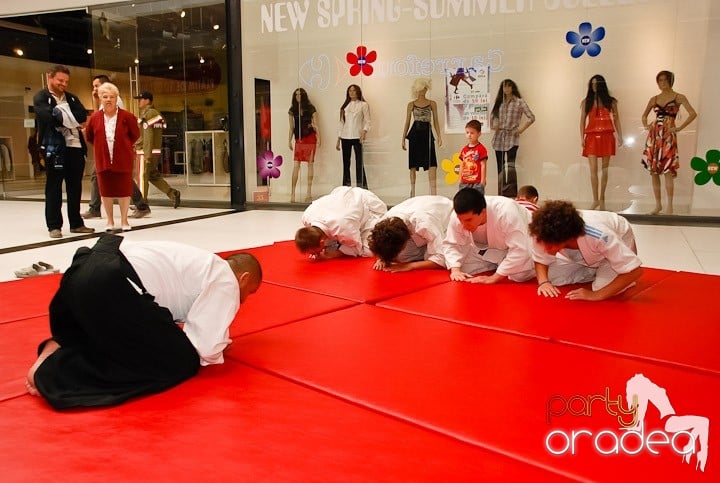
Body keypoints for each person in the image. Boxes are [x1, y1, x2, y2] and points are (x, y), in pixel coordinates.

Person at [25, 234, 262, 409]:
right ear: (243, 278)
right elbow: (205, 348)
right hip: (108, 285)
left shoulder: (201, 263)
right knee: (182, 360)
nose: (244, 300)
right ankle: (55, 372)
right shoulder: (225, 279)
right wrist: (217, 344)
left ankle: (66, 343)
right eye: (250, 292)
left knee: (143, 334)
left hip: (82, 272)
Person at [529, 200, 642, 301]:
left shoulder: (600, 235)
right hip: (588, 248)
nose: (546, 248)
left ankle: (609, 272)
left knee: (601, 287)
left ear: (567, 238)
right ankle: (593, 271)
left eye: (550, 245)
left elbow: (634, 271)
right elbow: (540, 258)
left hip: (618, 237)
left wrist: (596, 295)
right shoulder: (543, 229)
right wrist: (544, 282)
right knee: (553, 278)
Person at [33, 64, 95, 239]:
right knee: (54, 187)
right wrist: (67, 119)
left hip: (75, 147)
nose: (63, 84)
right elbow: (49, 117)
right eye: (60, 80)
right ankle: (54, 225)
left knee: (75, 187)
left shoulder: (72, 98)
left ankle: (76, 223)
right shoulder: (41, 97)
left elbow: (82, 116)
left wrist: (64, 117)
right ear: (50, 77)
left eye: (66, 81)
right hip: (55, 148)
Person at [82, 75, 152, 220]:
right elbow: (97, 119)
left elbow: (121, 126)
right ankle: (96, 207)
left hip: (115, 148)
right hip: (105, 148)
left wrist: (122, 144)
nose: (94, 89)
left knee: (121, 177)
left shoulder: (113, 99)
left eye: (96, 86)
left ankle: (140, 205)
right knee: (100, 176)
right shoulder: (103, 100)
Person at [443, 187, 535, 284]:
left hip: (529, 240)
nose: (464, 225)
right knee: (462, 267)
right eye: (460, 219)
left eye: (468, 220)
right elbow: (452, 243)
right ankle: (499, 263)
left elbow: (521, 250)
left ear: (483, 212)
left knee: (519, 275)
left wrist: (494, 278)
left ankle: (503, 264)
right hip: (489, 249)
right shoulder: (459, 216)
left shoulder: (506, 212)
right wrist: (455, 270)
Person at [641, 70, 697, 215]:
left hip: (667, 135)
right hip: (654, 135)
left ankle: (669, 206)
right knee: (654, 172)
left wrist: (678, 128)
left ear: (670, 81)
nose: (662, 83)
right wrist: (647, 125)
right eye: (659, 80)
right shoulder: (654, 98)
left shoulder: (679, 97)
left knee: (667, 171)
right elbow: (644, 115)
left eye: (665, 80)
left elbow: (693, 113)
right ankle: (658, 204)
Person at [295, 186, 386, 260]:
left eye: (315, 252)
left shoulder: (343, 227)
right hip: (342, 197)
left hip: (368, 206)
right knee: (334, 240)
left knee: (368, 251)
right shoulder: (307, 216)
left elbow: (358, 248)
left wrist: (337, 253)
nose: (315, 254)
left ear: (322, 241)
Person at [369, 195, 453, 272]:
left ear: (404, 243)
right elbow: (380, 243)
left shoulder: (425, 224)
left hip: (445, 215)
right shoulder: (384, 222)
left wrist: (410, 266)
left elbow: (441, 258)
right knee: (402, 256)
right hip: (419, 207)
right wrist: (382, 258)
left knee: (414, 257)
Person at [580, 75, 623, 211]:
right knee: (593, 169)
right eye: (592, 84)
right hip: (591, 137)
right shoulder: (586, 102)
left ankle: (602, 198)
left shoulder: (611, 102)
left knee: (605, 169)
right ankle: (595, 199)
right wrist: (581, 137)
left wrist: (620, 135)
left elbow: (617, 120)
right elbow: (582, 121)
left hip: (607, 136)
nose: (594, 87)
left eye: (596, 84)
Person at [134, 91, 181, 210]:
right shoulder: (156, 114)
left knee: (142, 176)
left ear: (147, 100)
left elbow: (148, 134)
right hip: (155, 150)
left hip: (145, 151)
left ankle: (141, 203)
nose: (139, 101)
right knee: (153, 175)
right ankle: (172, 193)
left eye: (140, 99)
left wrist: (147, 154)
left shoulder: (148, 114)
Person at [489, 79, 535, 198]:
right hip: (499, 137)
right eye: (505, 87)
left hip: (512, 137)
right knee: (500, 166)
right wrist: (495, 126)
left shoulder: (519, 102)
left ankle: (512, 194)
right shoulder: (500, 102)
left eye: (509, 86)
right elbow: (492, 118)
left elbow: (531, 117)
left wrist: (521, 129)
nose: (507, 89)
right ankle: (501, 193)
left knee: (510, 166)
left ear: (512, 87)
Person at [401, 78, 443, 197]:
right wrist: (403, 138)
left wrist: (439, 136)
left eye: (425, 88)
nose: (423, 91)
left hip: (427, 134)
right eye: (420, 89)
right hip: (415, 134)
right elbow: (407, 121)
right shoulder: (411, 104)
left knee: (432, 163)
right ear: (416, 90)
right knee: (413, 165)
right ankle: (412, 191)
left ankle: (433, 192)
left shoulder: (432, 103)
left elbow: (435, 121)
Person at [288, 88, 320, 203]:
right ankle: (292, 193)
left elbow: (316, 124)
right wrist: (289, 140)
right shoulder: (292, 110)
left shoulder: (311, 108)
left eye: (300, 95)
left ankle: (308, 192)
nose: (298, 97)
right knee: (296, 165)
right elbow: (292, 127)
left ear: (304, 96)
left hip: (310, 138)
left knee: (310, 164)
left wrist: (319, 138)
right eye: (296, 94)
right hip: (299, 140)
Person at [336, 84, 371, 189]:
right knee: (346, 163)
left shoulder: (363, 105)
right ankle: (346, 187)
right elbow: (341, 123)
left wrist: (364, 132)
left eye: (354, 90)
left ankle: (362, 187)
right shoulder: (345, 106)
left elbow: (367, 121)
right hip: (345, 137)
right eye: (350, 90)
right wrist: (338, 138)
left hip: (357, 137)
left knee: (359, 163)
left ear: (358, 92)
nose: (352, 92)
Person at [458, 119, 488, 193]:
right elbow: (462, 165)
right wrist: (460, 180)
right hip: (464, 182)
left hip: (477, 183)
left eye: (472, 133)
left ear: (479, 133)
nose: (469, 135)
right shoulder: (464, 149)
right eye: (467, 132)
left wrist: (482, 181)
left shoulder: (481, 148)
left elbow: (483, 165)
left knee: (477, 201)